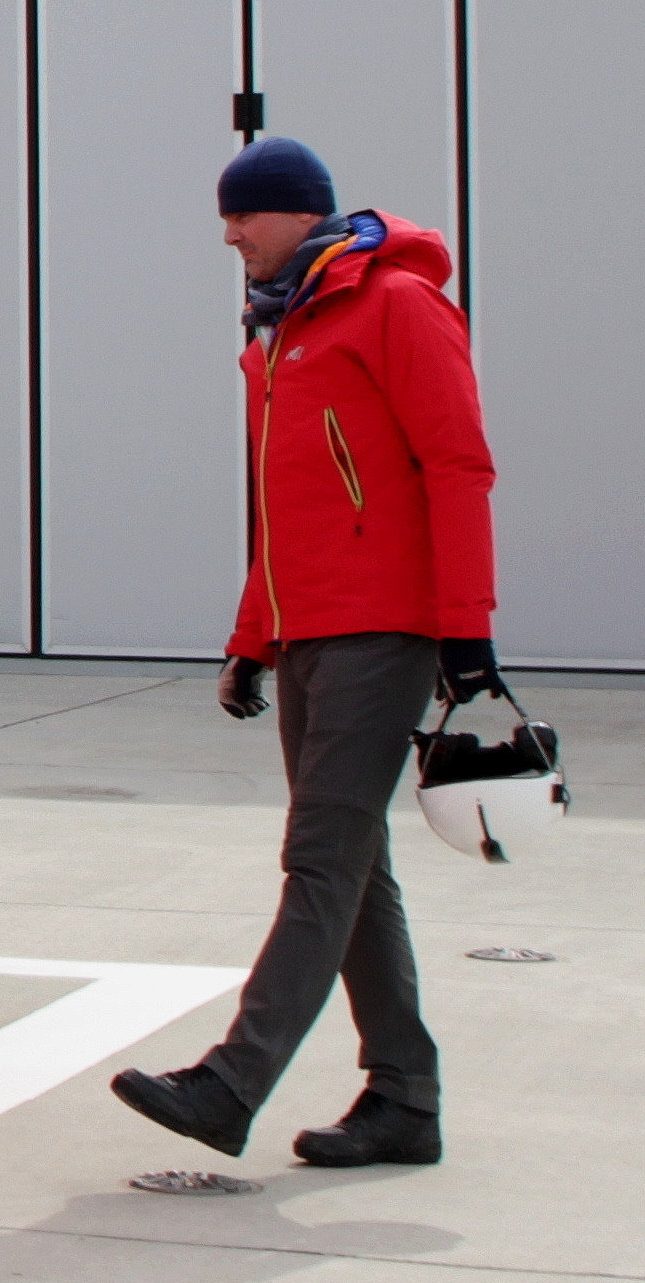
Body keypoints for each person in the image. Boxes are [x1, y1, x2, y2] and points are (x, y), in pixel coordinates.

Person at [113, 137, 496, 1170]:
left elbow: (459, 466)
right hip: (310, 629)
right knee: (355, 865)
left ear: (298, 214)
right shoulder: (277, 337)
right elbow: (283, 514)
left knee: (322, 857)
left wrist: (468, 631)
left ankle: (232, 1082)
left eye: (244, 216)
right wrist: (250, 639)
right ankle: (404, 1100)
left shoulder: (397, 307)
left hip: (386, 627)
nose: (230, 235)